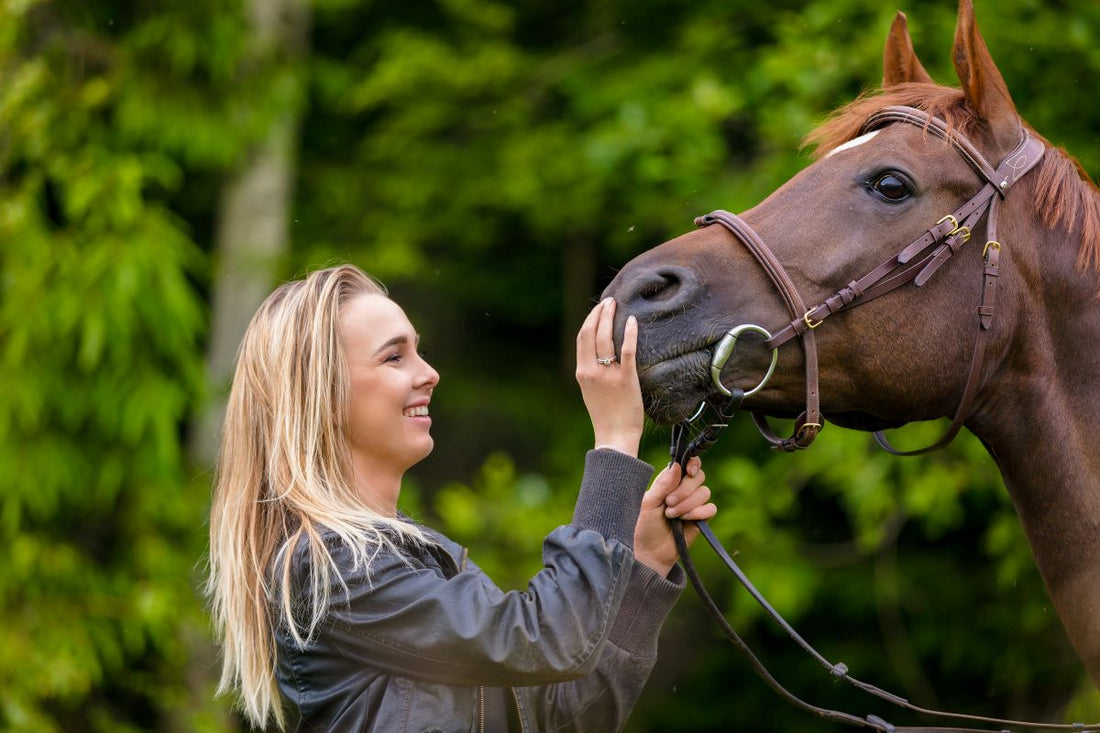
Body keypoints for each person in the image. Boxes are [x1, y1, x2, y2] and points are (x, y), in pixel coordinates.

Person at [206, 264, 717, 732]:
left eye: (418, 350)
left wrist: (644, 563)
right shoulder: (327, 567)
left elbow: (564, 717)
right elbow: (546, 639)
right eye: (394, 356)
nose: (429, 373)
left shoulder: (413, 561)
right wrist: (614, 442)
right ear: (322, 393)